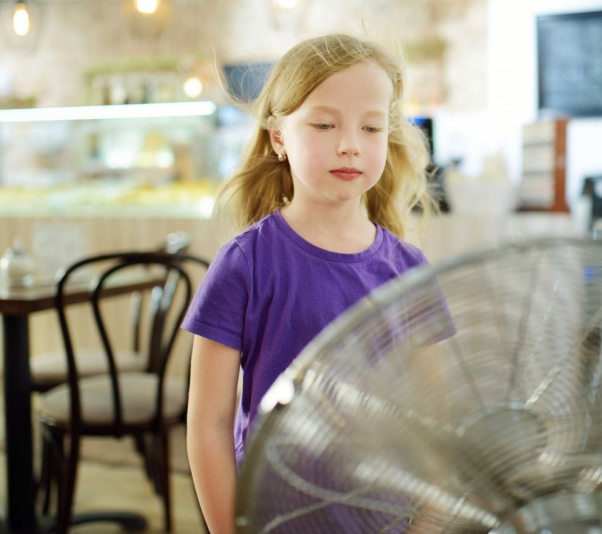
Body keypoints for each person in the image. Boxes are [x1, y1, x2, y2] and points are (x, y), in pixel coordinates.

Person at [183, 32, 435, 533]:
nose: (350, 144)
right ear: (279, 136)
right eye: (324, 123)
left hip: (385, 518)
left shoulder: (410, 270)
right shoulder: (245, 264)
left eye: (371, 127)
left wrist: (428, 522)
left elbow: (435, 418)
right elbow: (208, 423)